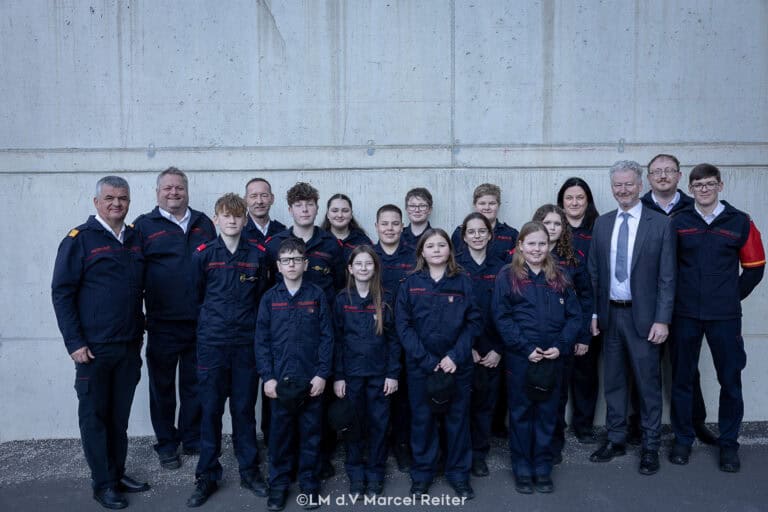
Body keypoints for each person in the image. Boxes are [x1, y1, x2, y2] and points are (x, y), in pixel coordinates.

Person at [52, 175, 150, 509]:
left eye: (122, 198)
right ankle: (103, 484)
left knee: (118, 418)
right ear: (96, 202)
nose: (116, 204)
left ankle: (117, 473)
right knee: (95, 417)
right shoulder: (79, 240)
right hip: (92, 349)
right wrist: (74, 342)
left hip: (128, 345)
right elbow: (62, 293)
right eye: (109, 198)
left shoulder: (134, 239)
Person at [669, 163, 765, 472]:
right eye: (698, 185)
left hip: (724, 316)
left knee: (730, 380)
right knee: (682, 379)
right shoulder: (678, 221)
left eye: (710, 184)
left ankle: (728, 445)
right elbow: (667, 266)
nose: (704, 189)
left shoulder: (741, 221)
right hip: (684, 314)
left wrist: (729, 297)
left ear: (720, 186)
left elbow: (755, 267)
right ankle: (683, 439)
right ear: (691, 189)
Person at [587, 160, 676, 476]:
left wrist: (662, 319)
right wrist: (594, 312)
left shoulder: (660, 224)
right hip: (611, 315)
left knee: (648, 384)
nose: (623, 190)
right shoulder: (602, 224)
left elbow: (667, 276)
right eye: (617, 185)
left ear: (640, 185)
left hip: (645, 319)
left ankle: (650, 446)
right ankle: (616, 439)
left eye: (628, 184)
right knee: (613, 383)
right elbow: (594, 273)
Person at [186, 193, 270, 507]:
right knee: (210, 410)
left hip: (246, 346)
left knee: (244, 410)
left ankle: (249, 470)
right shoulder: (203, 255)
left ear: (245, 220)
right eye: (226, 215)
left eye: (237, 215)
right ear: (216, 219)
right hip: (212, 345)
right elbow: (195, 297)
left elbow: (261, 298)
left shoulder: (258, 255)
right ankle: (207, 475)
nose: (232, 220)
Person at [133, 167, 216, 470]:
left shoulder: (204, 223)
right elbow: (134, 274)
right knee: (163, 387)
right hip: (162, 323)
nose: (174, 193)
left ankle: (191, 438)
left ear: (187, 191)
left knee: (195, 384)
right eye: (167, 188)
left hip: (199, 321)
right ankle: (167, 444)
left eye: (179, 188)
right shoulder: (143, 226)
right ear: (158, 192)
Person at [492, 221, 581, 494]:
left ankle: (542, 469)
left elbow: (574, 316)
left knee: (547, 414)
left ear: (549, 245)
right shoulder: (507, 276)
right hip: (522, 358)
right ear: (520, 245)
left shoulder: (560, 275)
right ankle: (522, 469)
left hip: (552, 357)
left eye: (542, 243)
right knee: (521, 414)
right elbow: (502, 317)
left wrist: (561, 346)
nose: (537, 249)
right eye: (531, 243)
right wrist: (525, 347)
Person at [396, 228, 482, 499]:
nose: (436, 250)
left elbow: (474, 322)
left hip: (457, 366)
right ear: (421, 251)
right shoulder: (410, 283)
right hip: (421, 367)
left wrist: (455, 356)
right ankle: (422, 475)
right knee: (422, 421)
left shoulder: (463, 281)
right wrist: (427, 360)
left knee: (457, 421)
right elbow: (403, 326)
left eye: (441, 245)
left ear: (450, 250)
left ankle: (459, 475)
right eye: (430, 246)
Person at [639, 153, 714, 445]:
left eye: (669, 170)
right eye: (656, 171)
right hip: (647, 302)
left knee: (686, 366)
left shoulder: (694, 208)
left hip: (684, 303)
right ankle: (639, 425)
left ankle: (696, 422)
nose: (662, 176)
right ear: (648, 178)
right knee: (643, 366)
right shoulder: (638, 207)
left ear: (680, 176)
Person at [255, 238, 334, 511]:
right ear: (278, 266)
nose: (291, 264)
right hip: (280, 383)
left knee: (311, 435)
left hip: (311, 382)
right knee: (280, 437)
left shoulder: (317, 295)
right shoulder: (269, 299)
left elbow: (327, 338)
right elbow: (261, 341)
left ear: (305, 264)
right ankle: (278, 486)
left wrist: (322, 375)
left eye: (297, 259)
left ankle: (309, 485)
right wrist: (268, 377)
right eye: (286, 260)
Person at [333, 246, 400, 496]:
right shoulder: (342, 299)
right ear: (350, 269)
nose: (363, 268)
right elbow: (336, 340)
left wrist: (393, 374)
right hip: (351, 376)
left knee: (378, 425)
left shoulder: (386, 298)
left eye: (368, 264)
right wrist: (338, 376)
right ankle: (356, 473)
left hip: (379, 375)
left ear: (375, 268)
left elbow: (394, 340)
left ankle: (375, 472)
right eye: (358, 264)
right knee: (354, 425)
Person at [532, 205, 593, 463]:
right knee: (532, 394)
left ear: (564, 228)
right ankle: (532, 443)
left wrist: (583, 337)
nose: (552, 228)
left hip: (564, 338)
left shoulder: (574, 258)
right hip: (532, 339)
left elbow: (585, 299)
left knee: (558, 395)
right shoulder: (525, 256)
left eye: (557, 224)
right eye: (547, 223)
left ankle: (554, 444)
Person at [455, 213, 506, 477]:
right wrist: (467, 348)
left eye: (481, 231)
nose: (477, 236)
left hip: (492, 350)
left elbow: (510, 312)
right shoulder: (455, 267)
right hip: (463, 349)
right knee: (460, 406)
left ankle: (478, 454)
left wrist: (498, 349)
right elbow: (450, 315)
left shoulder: (503, 268)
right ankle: (459, 454)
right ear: (463, 237)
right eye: (471, 232)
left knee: (485, 406)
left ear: (489, 235)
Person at [372, 204, 416, 472]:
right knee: (377, 393)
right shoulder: (367, 256)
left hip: (407, 334)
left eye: (395, 223)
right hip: (375, 336)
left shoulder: (413, 257)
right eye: (384, 223)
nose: (390, 228)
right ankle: (376, 446)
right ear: (376, 226)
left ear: (402, 227)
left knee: (403, 396)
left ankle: (401, 445)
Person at [265, 182, 345, 307]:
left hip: (322, 314)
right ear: (290, 210)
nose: (305, 210)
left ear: (317, 209)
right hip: (285, 314)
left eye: (310, 204)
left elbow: (340, 285)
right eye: (298, 205)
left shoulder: (331, 244)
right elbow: (268, 286)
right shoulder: (275, 245)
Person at [452, 183, 518, 261]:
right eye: (482, 203)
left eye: (492, 203)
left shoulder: (511, 234)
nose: (487, 207)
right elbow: (452, 263)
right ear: (475, 205)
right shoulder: (460, 233)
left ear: (499, 205)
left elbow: (518, 263)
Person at [321, 193, 373, 262]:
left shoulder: (363, 241)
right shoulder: (319, 241)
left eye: (345, 211)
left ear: (351, 214)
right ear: (328, 214)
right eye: (335, 211)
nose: (340, 215)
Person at [244, 178, 286, 246]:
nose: (259, 201)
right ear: (245, 200)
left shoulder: (282, 232)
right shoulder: (239, 231)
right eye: (253, 196)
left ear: (272, 199)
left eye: (264, 195)